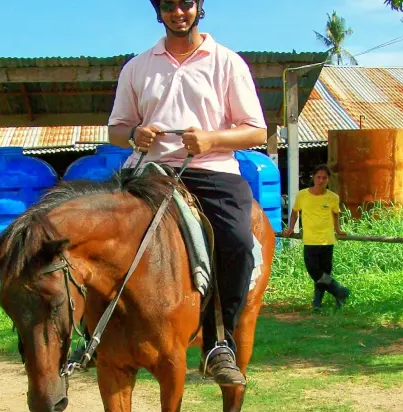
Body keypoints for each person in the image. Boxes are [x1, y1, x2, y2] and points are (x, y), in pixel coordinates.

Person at [107, 0, 267, 387]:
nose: (178, 12)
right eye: (168, 6)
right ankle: (100, 334)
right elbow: (116, 130)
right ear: (158, 12)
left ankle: (219, 343)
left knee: (237, 242)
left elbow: (257, 132)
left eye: (185, 3)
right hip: (148, 173)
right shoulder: (138, 66)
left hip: (211, 172)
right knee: (99, 238)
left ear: (199, 7)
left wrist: (212, 138)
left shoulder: (227, 62)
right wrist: (133, 135)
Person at [282, 164, 350, 311]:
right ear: (313, 177)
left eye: (324, 178)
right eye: (318, 177)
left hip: (327, 241)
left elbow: (336, 214)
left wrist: (338, 229)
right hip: (310, 241)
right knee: (315, 271)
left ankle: (317, 304)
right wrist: (290, 228)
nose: (321, 180)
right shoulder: (302, 195)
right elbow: (295, 212)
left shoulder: (333, 197)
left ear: (328, 180)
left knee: (324, 274)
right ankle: (340, 291)